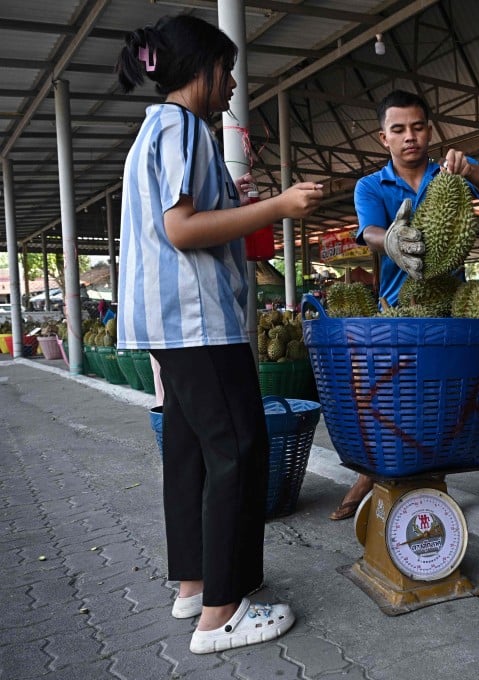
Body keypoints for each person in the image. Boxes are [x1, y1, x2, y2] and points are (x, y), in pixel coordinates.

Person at [114, 14, 323, 654]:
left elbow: (193, 219)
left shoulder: (154, 131)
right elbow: (182, 229)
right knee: (238, 447)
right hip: (197, 320)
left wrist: (241, 208)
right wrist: (280, 206)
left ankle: (194, 585)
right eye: (226, 70)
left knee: (189, 450)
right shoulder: (181, 126)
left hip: (166, 322)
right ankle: (222, 615)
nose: (232, 83)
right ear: (199, 71)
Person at [323, 90, 479, 521]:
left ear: (430, 129)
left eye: (418, 127)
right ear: (383, 137)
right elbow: (368, 228)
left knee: (440, 404)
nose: (411, 137)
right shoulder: (371, 185)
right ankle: (372, 475)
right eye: (399, 129)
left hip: (453, 306)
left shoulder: (449, 174)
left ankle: (430, 490)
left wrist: (472, 172)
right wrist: (387, 238)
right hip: (395, 310)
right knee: (392, 404)